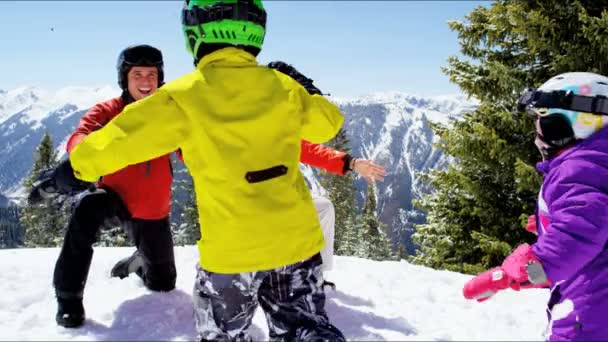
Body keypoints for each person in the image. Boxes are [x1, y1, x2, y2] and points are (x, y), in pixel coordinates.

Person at [59, 0, 347, 340]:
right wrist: (304, 85)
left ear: (195, 29)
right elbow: (327, 123)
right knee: (307, 331)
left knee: (222, 334)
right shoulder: (282, 87)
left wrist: (70, 170)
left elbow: (119, 140)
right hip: (298, 246)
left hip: (232, 254)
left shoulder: (183, 96)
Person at [29, 44, 179, 329]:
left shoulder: (171, 115)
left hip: (152, 212)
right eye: (138, 74)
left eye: (152, 74)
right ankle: (68, 299)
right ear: (125, 78)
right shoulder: (109, 110)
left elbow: (192, 149)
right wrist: (84, 151)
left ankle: (139, 262)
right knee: (86, 208)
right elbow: (80, 136)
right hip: (113, 199)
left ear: (160, 78)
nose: (146, 81)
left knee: (163, 285)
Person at [463, 72, 608, 341]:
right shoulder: (598, 159)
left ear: (575, 125)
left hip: (592, 310)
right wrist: (549, 223)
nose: (537, 137)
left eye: (546, 124)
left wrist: (516, 271)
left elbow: (579, 234)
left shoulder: (577, 169)